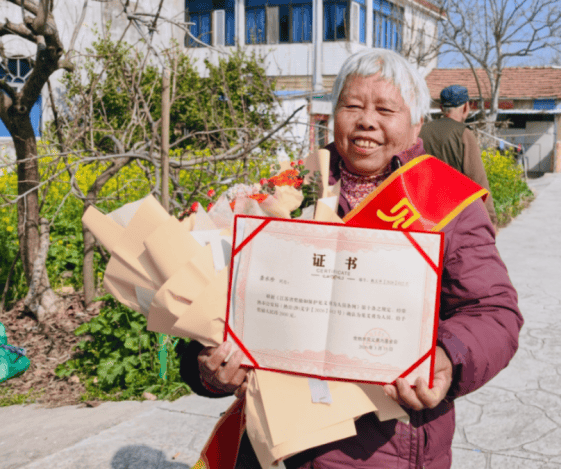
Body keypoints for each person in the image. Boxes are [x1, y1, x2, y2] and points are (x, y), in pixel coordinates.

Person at [180, 49, 523, 469]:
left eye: (385, 109)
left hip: (386, 447)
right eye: (352, 106)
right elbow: (224, 306)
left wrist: (448, 358)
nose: (366, 121)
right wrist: (208, 367)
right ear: (333, 116)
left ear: (416, 123)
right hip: (283, 445)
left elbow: (494, 312)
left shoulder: (446, 204)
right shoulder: (287, 192)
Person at [419, 85, 498, 226]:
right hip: (456, 218)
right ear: (466, 107)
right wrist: (491, 219)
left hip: (423, 215)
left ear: (441, 108)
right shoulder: (463, 134)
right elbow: (478, 180)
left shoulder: (421, 132)